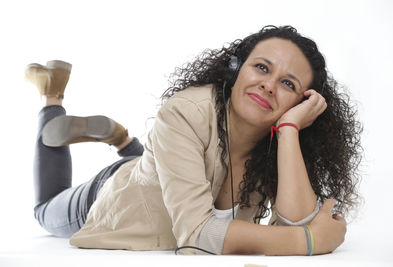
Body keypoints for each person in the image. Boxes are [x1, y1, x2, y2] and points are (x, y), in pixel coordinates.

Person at [26, 25, 362, 256]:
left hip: (162, 169)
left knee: (150, 164)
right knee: (45, 210)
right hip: (114, 195)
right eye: (261, 67)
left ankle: (123, 139)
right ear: (236, 70)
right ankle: (52, 94)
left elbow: (295, 219)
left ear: (302, 103)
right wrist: (309, 241)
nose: (270, 85)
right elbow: (197, 236)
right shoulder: (185, 111)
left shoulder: (275, 139)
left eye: (288, 84)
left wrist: (289, 130)